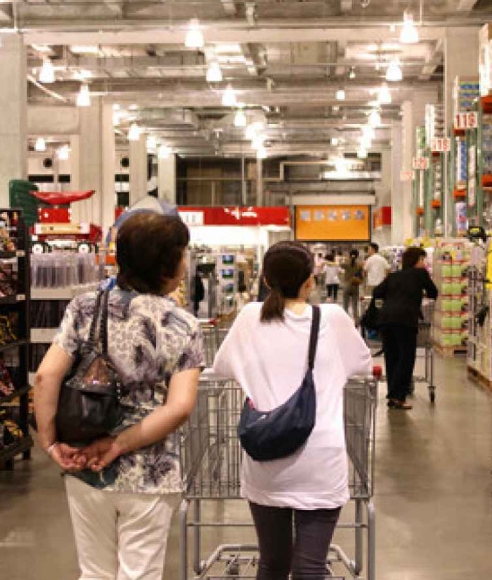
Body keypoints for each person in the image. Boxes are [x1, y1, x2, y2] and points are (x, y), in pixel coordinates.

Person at [34, 213, 205, 580]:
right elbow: (179, 407)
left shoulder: (83, 307)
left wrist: (50, 444)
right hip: (149, 471)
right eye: (183, 253)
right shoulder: (183, 326)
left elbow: (47, 375)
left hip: (82, 462)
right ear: (167, 265)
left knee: (94, 572)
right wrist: (118, 444)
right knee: (139, 573)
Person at [213, 241, 372, 580]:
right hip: (320, 458)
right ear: (310, 281)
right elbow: (361, 364)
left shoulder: (248, 317)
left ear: (266, 281)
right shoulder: (331, 318)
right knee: (311, 566)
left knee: (272, 564)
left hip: (266, 455)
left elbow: (222, 367)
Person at [372, 246, 437, 409]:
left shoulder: (394, 276)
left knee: (392, 357)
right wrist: (418, 293)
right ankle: (397, 396)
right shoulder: (421, 274)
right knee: (406, 358)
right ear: (418, 260)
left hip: (386, 319)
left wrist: (395, 295)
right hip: (405, 320)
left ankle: (393, 396)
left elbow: (377, 292)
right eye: (423, 260)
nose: (424, 263)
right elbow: (433, 292)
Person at [341, 249, 364, 320]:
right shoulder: (359, 265)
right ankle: (356, 320)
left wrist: (345, 259)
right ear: (357, 256)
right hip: (355, 286)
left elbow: (340, 264)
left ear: (349, 255)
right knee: (355, 305)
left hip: (346, 286)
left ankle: (345, 320)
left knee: (345, 305)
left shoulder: (346, 264)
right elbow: (362, 275)